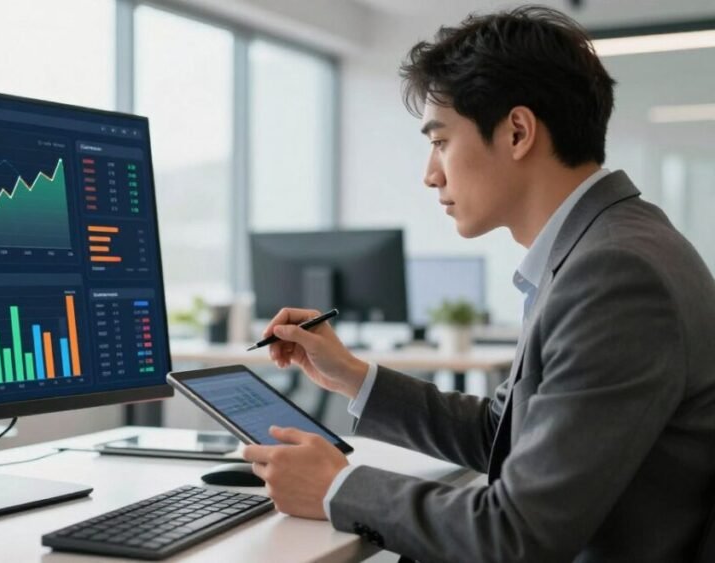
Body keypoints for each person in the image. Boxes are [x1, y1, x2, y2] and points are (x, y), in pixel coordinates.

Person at [241, 6, 715, 562]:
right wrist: (352, 376)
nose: (430, 174)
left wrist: (338, 488)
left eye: (440, 141)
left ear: (517, 132)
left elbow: (518, 536)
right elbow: (503, 433)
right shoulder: (601, 247)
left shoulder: (614, 275)